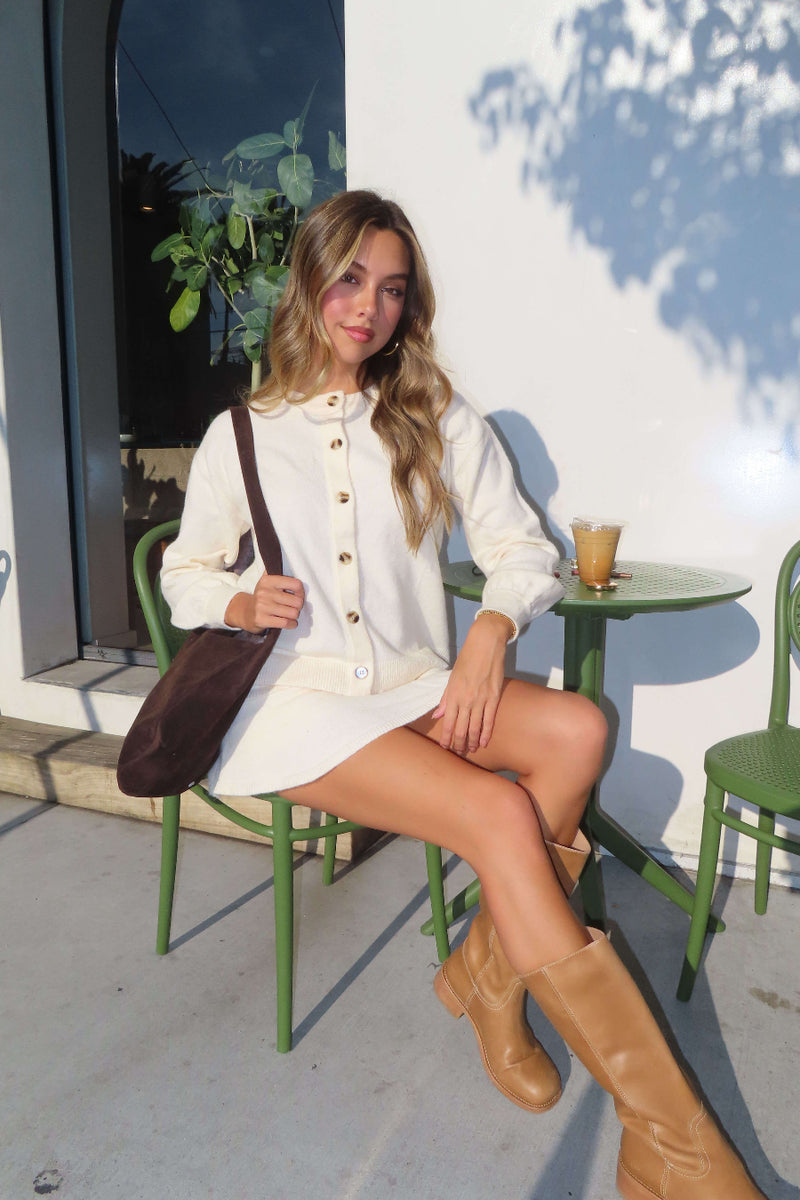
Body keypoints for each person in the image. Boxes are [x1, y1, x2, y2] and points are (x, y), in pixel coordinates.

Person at [161, 189, 767, 1200]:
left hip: (408, 684)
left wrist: (491, 627)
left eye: (391, 289)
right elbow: (184, 577)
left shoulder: (430, 415)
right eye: (350, 276)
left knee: (575, 731)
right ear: (309, 276)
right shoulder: (243, 435)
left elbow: (520, 548)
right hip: (298, 705)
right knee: (496, 814)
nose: (368, 306)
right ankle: (669, 1143)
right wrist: (235, 597)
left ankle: (491, 977)